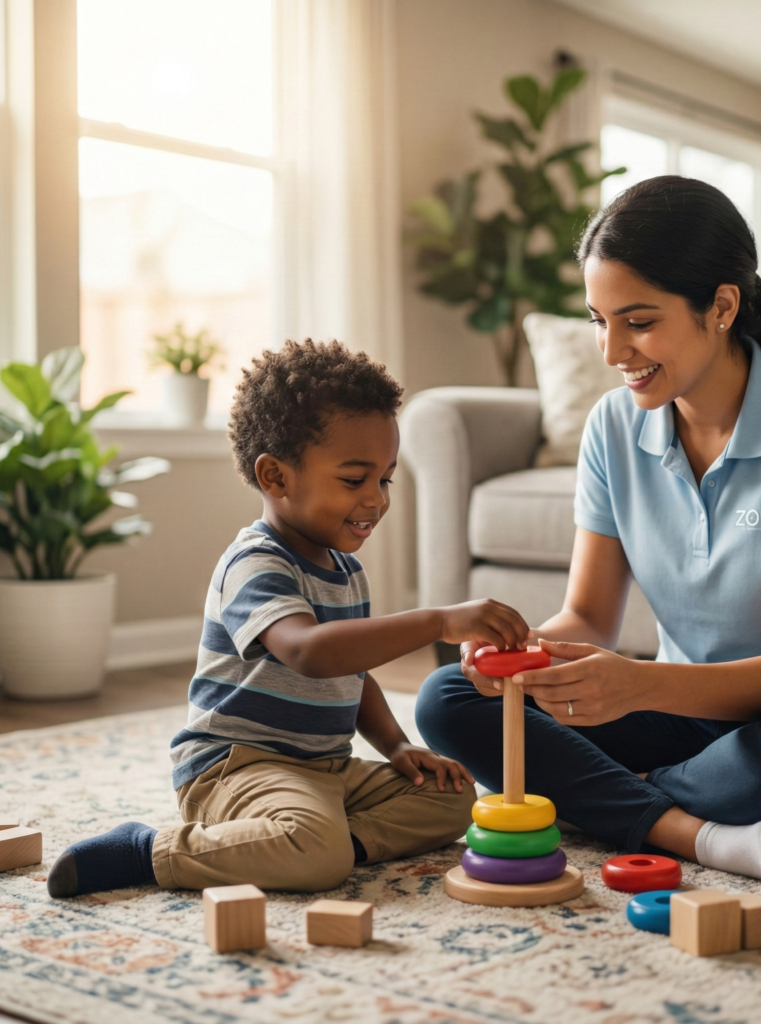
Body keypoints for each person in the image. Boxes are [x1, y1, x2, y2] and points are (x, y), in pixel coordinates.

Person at [416, 176, 761, 891]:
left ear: (721, 306)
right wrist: (521, 657)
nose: (612, 349)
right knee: (451, 697)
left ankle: (610, 798)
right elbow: (589, 617)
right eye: (598, 320)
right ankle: (694, 826)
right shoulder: (613, 427)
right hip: (683, 718)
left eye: (639, 321)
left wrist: (635, 685)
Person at [48, 339, 529, 898]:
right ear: (275, 477)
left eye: (386, 478)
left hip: (324, 769)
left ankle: (310, 843)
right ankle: (147, 850)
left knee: (455, 800)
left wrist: (397, 747)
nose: (376, 499)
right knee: (313, 852)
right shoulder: (254, 563)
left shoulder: (345, 570)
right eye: (354, 480)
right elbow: (311, 651)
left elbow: (350, 672)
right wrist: (437, 622)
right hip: (237, 768)